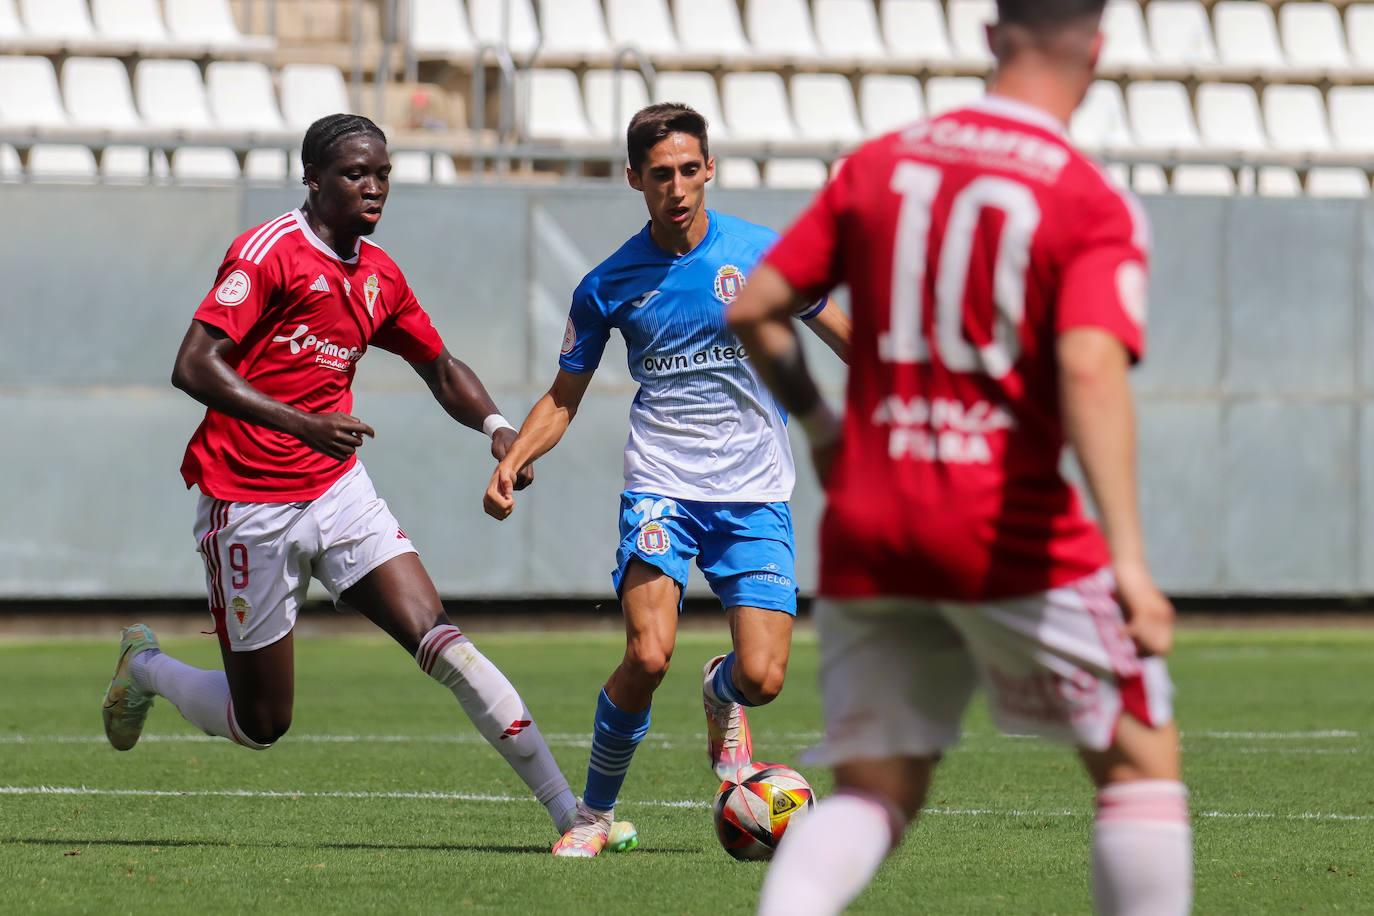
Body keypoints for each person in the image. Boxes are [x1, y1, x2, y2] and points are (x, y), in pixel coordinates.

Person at [727, 2, 1191, 913]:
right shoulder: (1088, 197)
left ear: (989, 36)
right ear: (1096, 51)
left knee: (876, 789)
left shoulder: (881, 165)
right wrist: (1130, 564)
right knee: (1139, 759)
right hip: (1001, 521)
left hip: (872, 520)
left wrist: (827, 435)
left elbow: (754, 309)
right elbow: (1090, 365)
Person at [100, 113, 635, 850]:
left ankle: (570, 815)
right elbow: (193, 365)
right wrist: (301, 422)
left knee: (443, 642)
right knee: (262, 725)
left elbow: (441, 366)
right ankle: (148, 668)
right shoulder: (269, 256)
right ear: (313, 179)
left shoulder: (378, 274)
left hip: (338, 490)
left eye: (382, 173)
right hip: (248, 503)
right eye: (356, 174)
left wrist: (498, 429)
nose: (373, 186)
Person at [483, 103, 851, 857]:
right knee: (648, 655)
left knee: (765, 676)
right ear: (634, 181)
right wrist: (516, 458)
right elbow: (562, 397)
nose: (677, 187)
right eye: (660, 175)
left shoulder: (762, 254)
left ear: (710, 168)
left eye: (689, 170)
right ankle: (591, 815)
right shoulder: (608, 285)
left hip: (754, 491)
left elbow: (847, 336)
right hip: (662, 484)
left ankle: (722, 692)